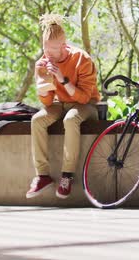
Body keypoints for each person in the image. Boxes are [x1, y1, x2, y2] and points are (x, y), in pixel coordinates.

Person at [26, 14, 100, 199]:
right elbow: (48, 103)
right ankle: (42, 175)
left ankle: (67, 175)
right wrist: (42, 85)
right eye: (45, 48)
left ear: (64, 45)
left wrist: (62, 79)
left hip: (86, 105)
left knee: (71, 118)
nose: (48, 53)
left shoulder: (81, 59)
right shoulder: (44, 62)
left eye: (53, 49)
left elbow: (84, 98)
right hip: (60, 103)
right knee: (37, 120)